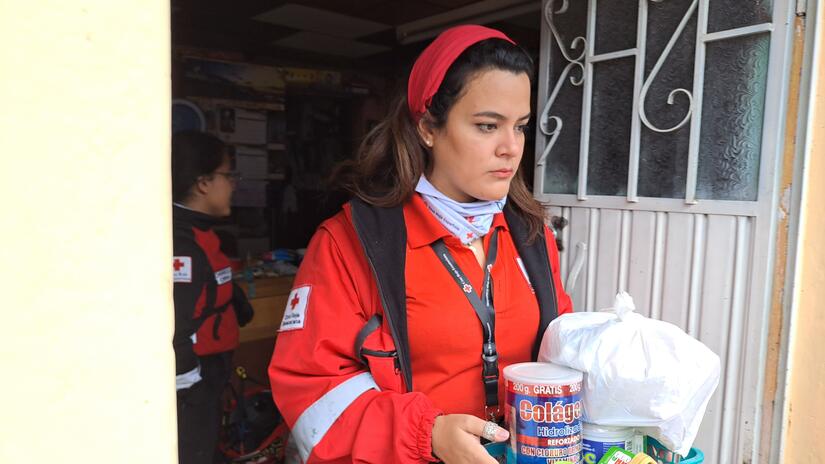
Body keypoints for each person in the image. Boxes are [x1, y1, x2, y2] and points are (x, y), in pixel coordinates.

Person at [268, 25, 573, 464]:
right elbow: (312, 395)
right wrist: (426, 434)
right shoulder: (351, 241)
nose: (511, 148)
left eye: (520, 127)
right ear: (428, 127)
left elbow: (556, 350)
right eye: (487, 126)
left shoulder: (530, 234)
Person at [171, 131, 254, 463]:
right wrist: (190, 386)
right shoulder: (182, 244)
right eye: (228, 174)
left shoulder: (202, 234)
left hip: (212, 377)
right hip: (194, 384)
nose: (232, 183)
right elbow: (176, 323)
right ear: (203, 183)